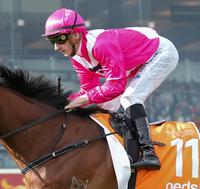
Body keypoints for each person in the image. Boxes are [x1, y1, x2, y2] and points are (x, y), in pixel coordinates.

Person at [43, 8, 179, 170]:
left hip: (160, 53)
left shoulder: (101, 44)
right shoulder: (77, 58)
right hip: (133, 66)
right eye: (52, 41)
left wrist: (82, 99)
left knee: (130, 97)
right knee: (105, 106)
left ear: (76, 35)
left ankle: (149, 153)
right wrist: (63, 102)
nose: (56, 47)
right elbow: (89, 90)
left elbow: (116, 86)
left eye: (59, 39)